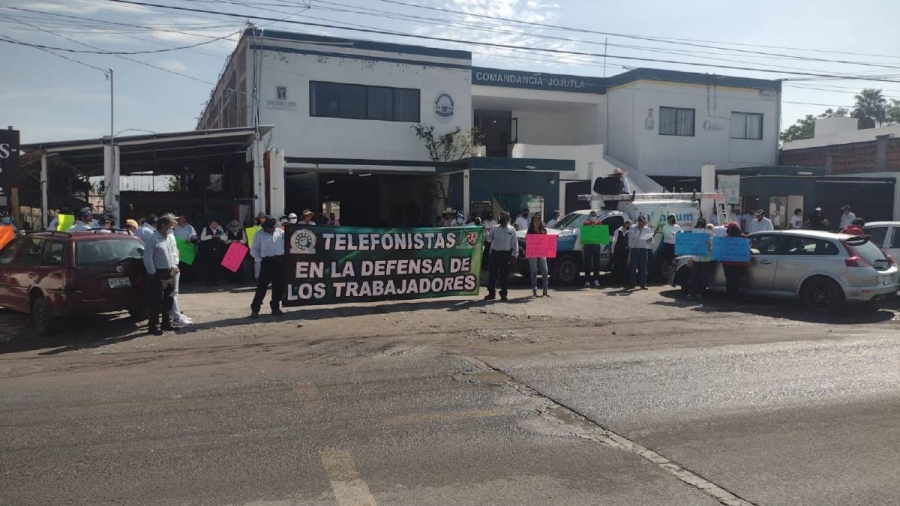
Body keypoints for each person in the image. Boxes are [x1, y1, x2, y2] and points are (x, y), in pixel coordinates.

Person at [142, 216, 178, 336]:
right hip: (158, 273)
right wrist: (153, 273)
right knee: (156, 301)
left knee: (169, 299)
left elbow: (173, 253)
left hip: (170, 272)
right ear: (163, 226)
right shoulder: (153, 238)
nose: (171, 228)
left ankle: (166, 323)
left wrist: (174, 266)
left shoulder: (168, 238)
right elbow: (147, 258)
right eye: (169, 226)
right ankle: (154, 325)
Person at [249, 217, 285, 318]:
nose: (267, 230)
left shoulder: (280, 232)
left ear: (273, 227)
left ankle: (275, 307)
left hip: (279, 260)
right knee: (262, 285)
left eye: (269, 228)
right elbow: (254, 249)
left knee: (279, 285)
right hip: (267, 261)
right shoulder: (259, 234)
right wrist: (260, 260)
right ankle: (255, 309)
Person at [161, 213, 192, 328]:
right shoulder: (166, 235)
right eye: (173, 221)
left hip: (175, 266)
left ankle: (177, 315)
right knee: (172, 293)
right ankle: (176, 317)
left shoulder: (171, 234)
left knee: (175, 293)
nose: (175, 223)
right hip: (172, 267)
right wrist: (174, 265)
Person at [484, 211, 518, 301]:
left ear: (508, 219)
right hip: (495, 254)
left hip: (506, 255)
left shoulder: (512, 229)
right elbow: (489, 239)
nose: (503, 219)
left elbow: (515, 243)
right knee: (492, 275)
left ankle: (504, 294)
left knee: (504, 276)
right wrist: (485, 232)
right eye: (502, 217)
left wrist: (515, 255)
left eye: (505, 217)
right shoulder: (495, 228)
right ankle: (491, 293)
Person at [687, 224, 715, 301]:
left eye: (710, 228)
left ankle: (701, 294)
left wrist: (709, 246)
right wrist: (691, 259)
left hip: (706, 261)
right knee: (694, 277)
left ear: (713, 230)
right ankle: (692, 293)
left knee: (703, 278)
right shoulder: (699, 236)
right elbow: (694, 248)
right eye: (707, 228)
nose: (708, 229)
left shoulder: (714, 238)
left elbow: (715, 250)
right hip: (696, 259)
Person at [722, 222, 749, 300]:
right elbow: (747, 249)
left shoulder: (726, 238)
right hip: (738, 264)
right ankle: (734, 297)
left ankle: (730, 297)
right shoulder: (743, 237)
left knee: (729, 281)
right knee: (735, 281)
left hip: (728, 263)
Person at [526, 213, 550, 297]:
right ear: (532, 222)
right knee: (534, 271)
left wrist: (553, 240)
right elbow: (527, 242)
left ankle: (545, 290)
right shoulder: (530, 231)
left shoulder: (543, 231)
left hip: (542, 252)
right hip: (533, 253)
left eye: (538, 221)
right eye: (535, 221)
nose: (537, 223)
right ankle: (534, 290)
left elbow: (547, 241)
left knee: (545, 271)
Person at [627, 216, 653, 290]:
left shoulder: (647, 229)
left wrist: (650, 239)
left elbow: (650, 241)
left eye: (643, 222)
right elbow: (632, 236)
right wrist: (639, 230)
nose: (642, 223)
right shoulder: (633, 227)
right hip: (635, 249)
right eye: (640, 221)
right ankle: (632, 284)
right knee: (633, 267)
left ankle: (643, 284)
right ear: (638, 221)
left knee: (643, 268)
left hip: (644, 250)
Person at [200, 220, 228, 286]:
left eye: (215, 224)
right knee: (208, 266)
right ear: (210, 224)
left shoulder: (219, 229)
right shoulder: (206, 229)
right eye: (213, 224)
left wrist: (219, 236)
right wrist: (211, 236)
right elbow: (202, 238)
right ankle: (208, 281)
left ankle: (216, 281)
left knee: (217, 266)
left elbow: (225, 238)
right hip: (208, 251)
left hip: (217, 251)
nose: (214, 225)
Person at [655, 214, 682, 280]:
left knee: (676, 261)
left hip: (676, 246)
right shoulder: (665, 227)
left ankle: (676, 276)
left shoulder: (677, 227)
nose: (674, 220)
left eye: (674, 218)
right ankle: (669, 276)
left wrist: (674, 234)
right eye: (672, 218)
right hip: (668, 246)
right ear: (668, 220)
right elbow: (668, 235)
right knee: (669, 261)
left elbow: (681, 233)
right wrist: (675, 234)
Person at [582, 210, 602, 288]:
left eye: (595, 215)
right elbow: (585, 227)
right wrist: (591, 225)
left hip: (596, 245)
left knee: (597, 263)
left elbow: (601, 232)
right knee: (588, 263)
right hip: (588, 245)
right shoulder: (586, 223)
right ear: (590, 216)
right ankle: (587, 280)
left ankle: (596, 280)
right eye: (592, 215)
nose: (593, 217)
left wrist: (595, 226)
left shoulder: (599, 223)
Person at [611, 220, 631, 286]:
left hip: (625, 251)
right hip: (618, 251)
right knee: (617, 266)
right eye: (629, 225)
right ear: (625, 224)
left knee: (624, 266)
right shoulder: (618, 231)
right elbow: (614, 241)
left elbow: (628, 242)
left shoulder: (628, 232)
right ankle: (616, 281)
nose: (629, 226)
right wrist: (612, 251)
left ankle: (622, 281)